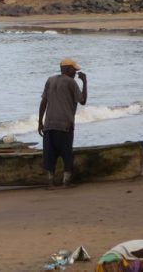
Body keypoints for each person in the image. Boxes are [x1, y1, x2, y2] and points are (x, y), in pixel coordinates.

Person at [37, 58, 88, 188]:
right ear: (67, 69)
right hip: (65, 125)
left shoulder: (50, 80)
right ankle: (66, 182)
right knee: (67, 154)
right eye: (74, 69)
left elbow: (43, 102)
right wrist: (85, 82)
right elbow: (82, 101)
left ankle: (50, 182)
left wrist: (40, 122)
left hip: (49, 125)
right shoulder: (71, 83)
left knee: (49, 155)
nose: (75, 72)